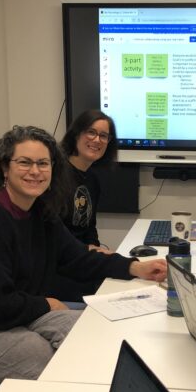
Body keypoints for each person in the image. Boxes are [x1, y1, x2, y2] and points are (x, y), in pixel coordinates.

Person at [0, 125, 166, 382]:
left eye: (43, 163)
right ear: (5, 167)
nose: (35, 171)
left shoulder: (40, 213)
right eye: (24, 162)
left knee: (87, 332)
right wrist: (46, 304)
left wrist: (134, 267)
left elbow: (77, 258)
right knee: (41, 354)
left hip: (14, 316)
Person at [48, 110, 118, 301]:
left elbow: (89, 227)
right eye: (91, 132)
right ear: (76, 134)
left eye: (104, 136)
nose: (97, 140)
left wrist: (95, 253)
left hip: (82, 262)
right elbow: (53, 236)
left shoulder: (92, 180)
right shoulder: (54, 176)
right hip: (59, 269)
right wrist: (89, 253)